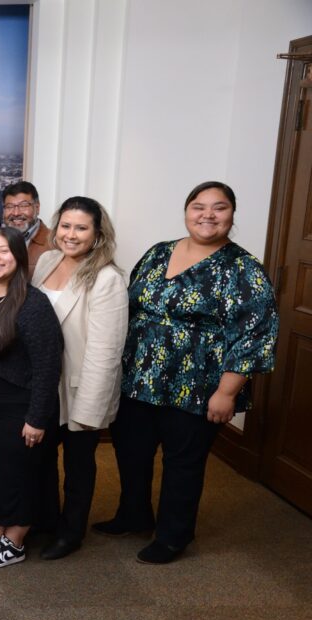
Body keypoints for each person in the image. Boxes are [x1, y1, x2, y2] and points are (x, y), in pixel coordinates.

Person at [94, 181, 278, 564]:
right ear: (186, 210)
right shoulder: (160, 252)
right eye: (199, 206)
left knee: (183, 461)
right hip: (138, 378)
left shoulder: (243, 268)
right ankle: (134, 515)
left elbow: (254, 335)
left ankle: (174, 535)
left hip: (198, 386)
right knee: (132, 451)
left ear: (232, 214)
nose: (207, 215)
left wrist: (227, 393)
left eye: (219, 207)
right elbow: (130, 305)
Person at [30, 197, 128, 560]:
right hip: (44, 385)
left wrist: (89, 410)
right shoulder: (46, 260)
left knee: (78, 466)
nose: (71, 235)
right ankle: (46, 521)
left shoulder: (107, 279)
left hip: (78, 388)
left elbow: (106, 352)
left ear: (98, 234)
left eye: (81, 228)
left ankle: (70, 533)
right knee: (40, 461)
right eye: (66, 226)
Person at [0, 227, 62, 569]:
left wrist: (37, 418)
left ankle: (15, 539)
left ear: (18, 257)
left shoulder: (33, 304)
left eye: (4, 251)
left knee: (21, 473)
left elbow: (48, 367)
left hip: (22, 406)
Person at [1, 180, 51, 274]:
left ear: (37, 207)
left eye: (23, 206)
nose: (16, 213)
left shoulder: (55, 242)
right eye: (9, 207)